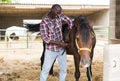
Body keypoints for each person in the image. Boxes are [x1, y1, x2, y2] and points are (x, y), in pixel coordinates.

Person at [39, 4, 73, 81]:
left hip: (61, 50)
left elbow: (70, 21)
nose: (58, 15)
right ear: (52, 10)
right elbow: (45, 39)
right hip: (51, 50)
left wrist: (68, 34)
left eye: (60, 13)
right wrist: (60, 44)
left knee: (63, 70)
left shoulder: (59, 16)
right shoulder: (44, 22)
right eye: (57, 13)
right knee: (45, 71)